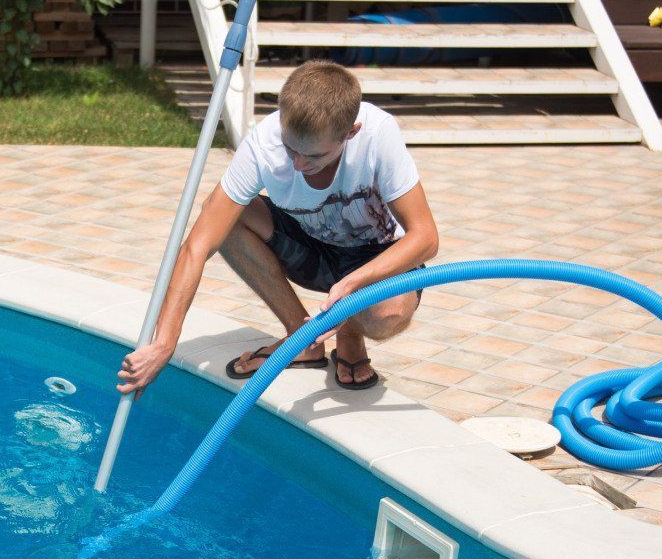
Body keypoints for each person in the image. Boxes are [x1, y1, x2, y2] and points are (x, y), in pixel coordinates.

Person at [117, 60, 438, 395]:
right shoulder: (262, 144)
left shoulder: (376, 135)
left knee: (386, 315)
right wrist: (164, 344)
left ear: (350, 133)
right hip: (312, 247)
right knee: (228, 217)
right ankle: (301, 339)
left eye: (314, 156)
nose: (298, 165)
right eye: (290, 149)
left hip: (376, 255)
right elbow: (196, 246)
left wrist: (356, 283)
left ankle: (350, 332)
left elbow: (426, 238)